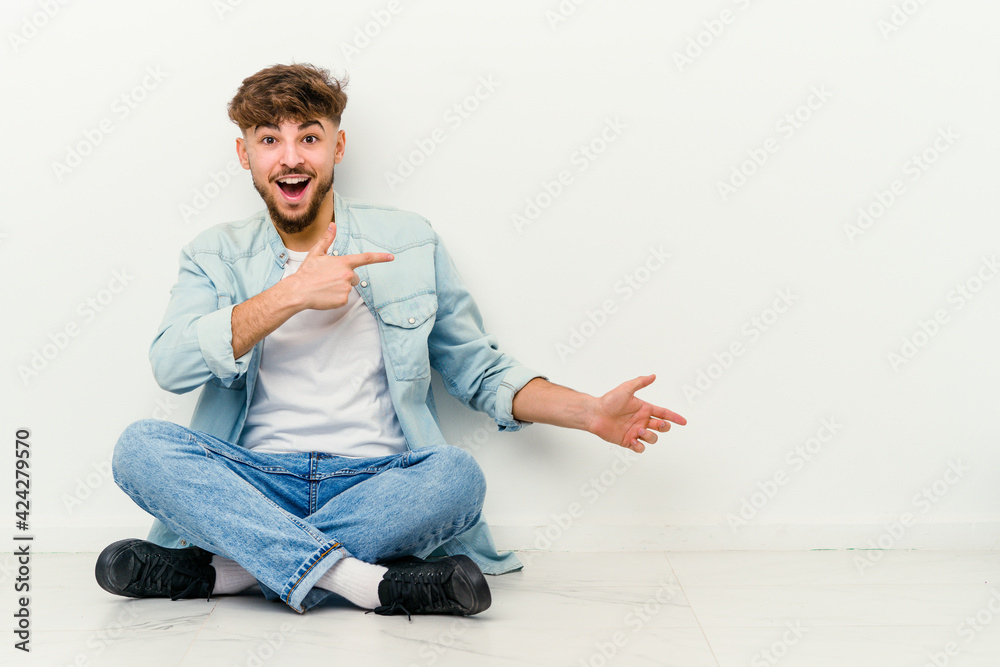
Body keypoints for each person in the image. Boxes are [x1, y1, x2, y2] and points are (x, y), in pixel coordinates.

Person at [95, 63, 686, 617]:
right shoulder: (213, 253)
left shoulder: (409, 239)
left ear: (338, 147)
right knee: (140, 448)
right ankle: (368, 583)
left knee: (457, 476)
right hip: (253, 481)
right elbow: (171, 366)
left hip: (378, 485)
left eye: (309, 137)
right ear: (244, 154)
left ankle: (233, 572)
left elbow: (476, 369)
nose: (290, 157)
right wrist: (289, 295)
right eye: (269, 139)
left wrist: (587, 412)